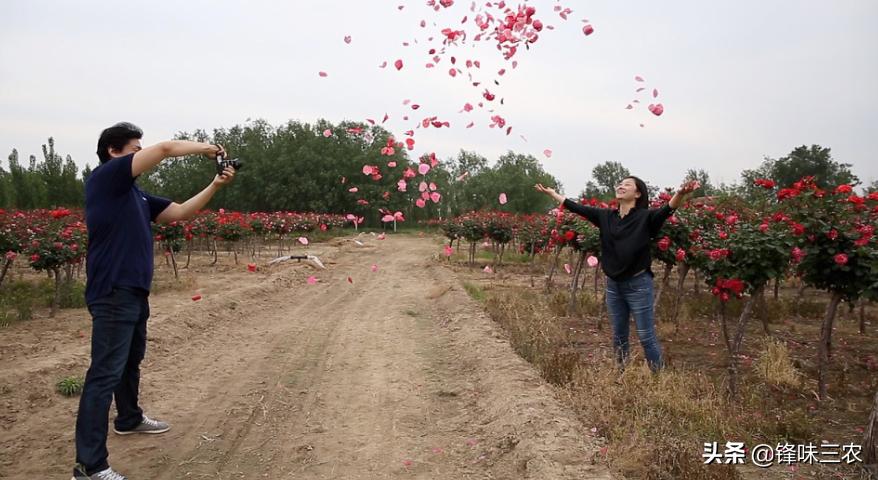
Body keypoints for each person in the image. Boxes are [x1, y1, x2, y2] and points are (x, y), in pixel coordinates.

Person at [72, 122, 237, 480]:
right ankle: (89, 466)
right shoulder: (107, 179)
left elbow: (178, 213)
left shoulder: (135, 195)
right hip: (113, 290)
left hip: (132, 291)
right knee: (103, 375)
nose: (140, 152)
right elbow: (163, 149)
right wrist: (206, 147)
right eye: (134, 148)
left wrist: (215, 184)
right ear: (114, 151)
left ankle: (128, 419)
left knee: (129, 363)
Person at [535, 176, 699, 371]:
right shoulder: (606, 217)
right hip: (613, 285)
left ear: (637, 194)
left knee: (646, 336)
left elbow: (668, 209)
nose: (621, 186)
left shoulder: (646, 218)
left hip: (638, 285)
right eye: (620, 184)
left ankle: (659, 379)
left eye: (627, 184)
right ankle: (621, 375)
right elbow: (578, 208)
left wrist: (680, 193)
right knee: (619, 335)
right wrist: (553, 194)